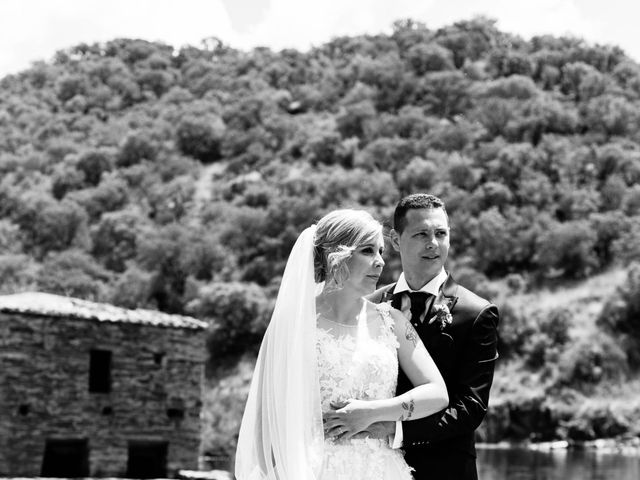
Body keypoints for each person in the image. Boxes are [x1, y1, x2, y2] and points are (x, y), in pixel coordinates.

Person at [235, 209, 449, 480]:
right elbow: (265, 425)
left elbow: (437, 393)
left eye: (381, 251)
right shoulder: (294, 325)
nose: (381, 262)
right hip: (311, 470)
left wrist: (372, 412)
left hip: (381, 470)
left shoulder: (392, 320)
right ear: (336, 256)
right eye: (368, 251)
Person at [368, 194, 500, 480]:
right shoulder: (370, 306)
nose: (433, 243)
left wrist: (397, 430)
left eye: (441, 233)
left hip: (446, 469)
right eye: (421, 234)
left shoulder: (476, 312)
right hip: (371, 464)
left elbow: (470, 406)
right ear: (395, 240)